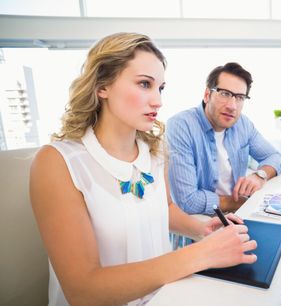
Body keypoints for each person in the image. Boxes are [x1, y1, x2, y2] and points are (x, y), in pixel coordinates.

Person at [29, 33, 257, 306]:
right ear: (103, 86)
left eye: (160, 88)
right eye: (144, 84)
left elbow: (165, 208)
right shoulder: (57, 162)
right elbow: (82, 290)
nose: (157, 101)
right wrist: (202, 255)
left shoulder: (154, 152)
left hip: (163, 297)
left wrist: (201, 230)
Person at [166, 62, 281, 215]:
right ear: (207, 95)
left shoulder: (243, 124)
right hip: (200, 224)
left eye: (240, 97)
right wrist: (240, 202)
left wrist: (259, 175)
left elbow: (275, 156)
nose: (232, 106)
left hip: (237, 215)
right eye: (225, 94)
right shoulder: (181, 126)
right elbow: (188, 201)